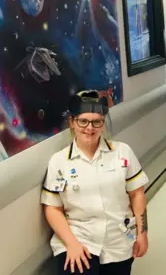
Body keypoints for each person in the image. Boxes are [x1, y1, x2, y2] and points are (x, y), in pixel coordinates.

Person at [41, 91, 149, 275]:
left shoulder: (122, 152)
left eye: (96, 122)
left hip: (119, 239)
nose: (89, 128)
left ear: (102, 124)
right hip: (78, 239)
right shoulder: (59, 161)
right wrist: (71, 243)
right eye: (83, 121)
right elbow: (52, 208)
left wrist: (142, 233)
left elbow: (137, 194)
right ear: (72, 122)